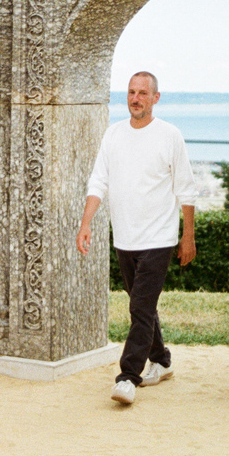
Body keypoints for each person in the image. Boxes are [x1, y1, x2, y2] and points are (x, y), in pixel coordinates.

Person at [76, 71, 198, 405]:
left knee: (140, 308)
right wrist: (86, 223)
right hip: (125, 238)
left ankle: (128, 377)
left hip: (159, 238)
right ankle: (162, 361)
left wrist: (187, 236)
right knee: (142, 306)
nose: (136, 98)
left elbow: (186, 188)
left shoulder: (170, 135)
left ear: (155, 98)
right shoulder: (113, 134)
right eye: (131, 92)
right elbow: (98, 181)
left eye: (143, 93)